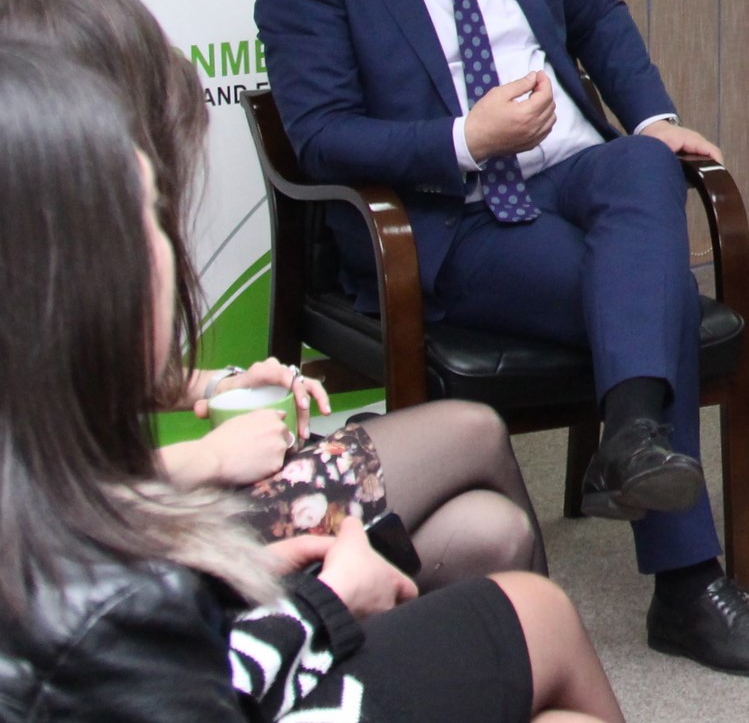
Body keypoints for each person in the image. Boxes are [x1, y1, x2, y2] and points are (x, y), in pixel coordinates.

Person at [254, 0, 749, 676]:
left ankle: (628, 441)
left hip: (572, 171)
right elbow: (319, 135)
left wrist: (655, 118)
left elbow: (598, 15)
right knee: (657, 303)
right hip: (456, 216)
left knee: (642, 163)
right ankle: (686, 584)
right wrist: (465, 138)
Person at [0, 45, 629, 722]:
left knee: (490, 529)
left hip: (219, 610)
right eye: (148, 212)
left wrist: (215, 386)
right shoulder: (108, 599)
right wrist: (319, 602)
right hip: (240, 626)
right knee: (520, 572)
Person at [0, 0, 547, 589]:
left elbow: (76, 383)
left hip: (135, 523)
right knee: (473, 433)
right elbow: (41, 501)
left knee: (490, 530)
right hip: (124, 554)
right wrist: (201, 460)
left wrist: (218, 383)